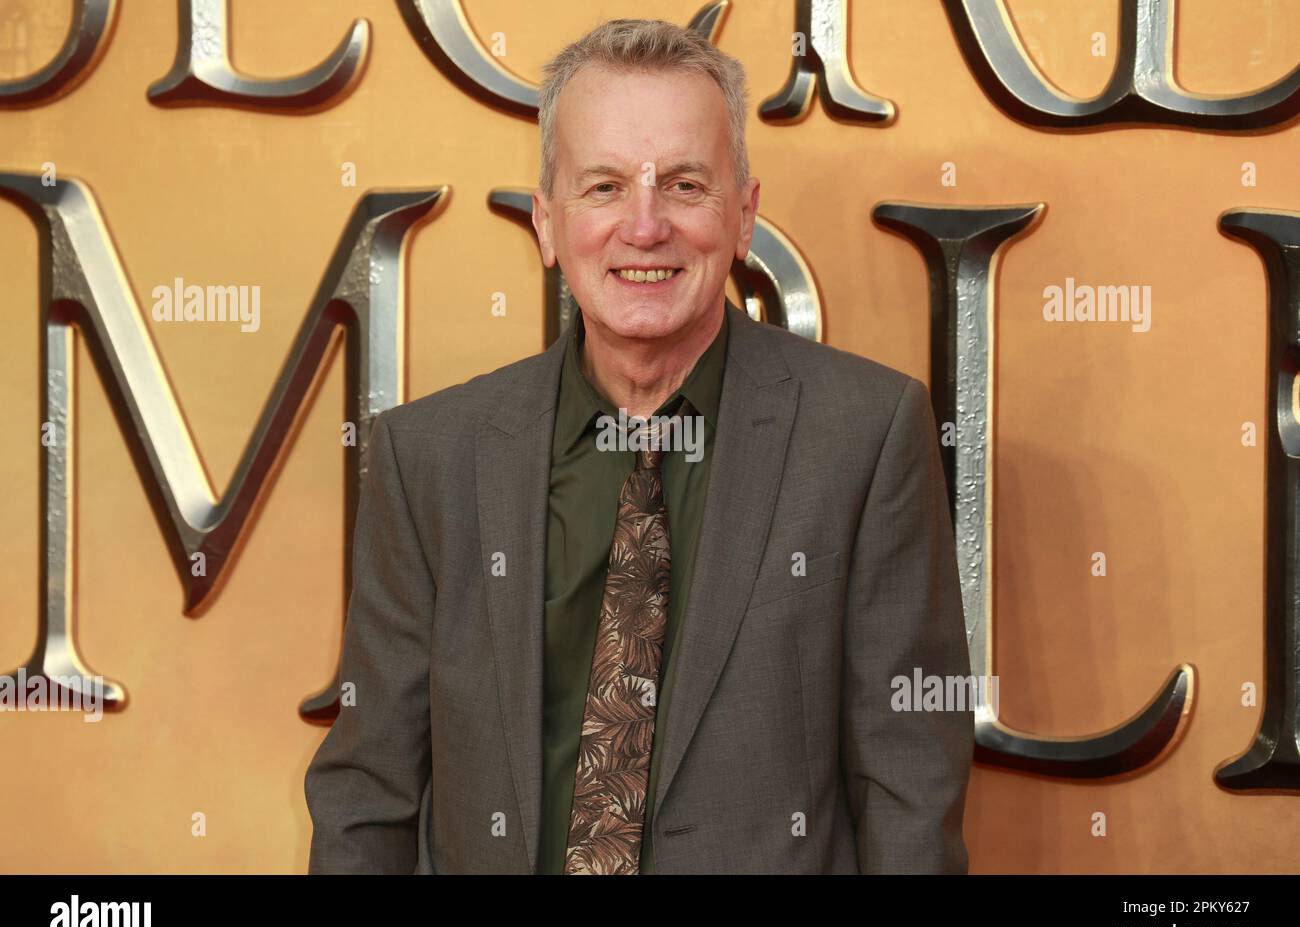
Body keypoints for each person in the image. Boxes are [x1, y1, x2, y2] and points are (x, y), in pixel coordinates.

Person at [305, 17, 973, 874]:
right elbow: (369, 795)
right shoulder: (428, 459)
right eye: (606, 187)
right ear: (548, 224)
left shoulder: (865, 436)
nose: (646, 226)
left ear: (744, 216)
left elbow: (909, 793)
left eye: (686, 185)